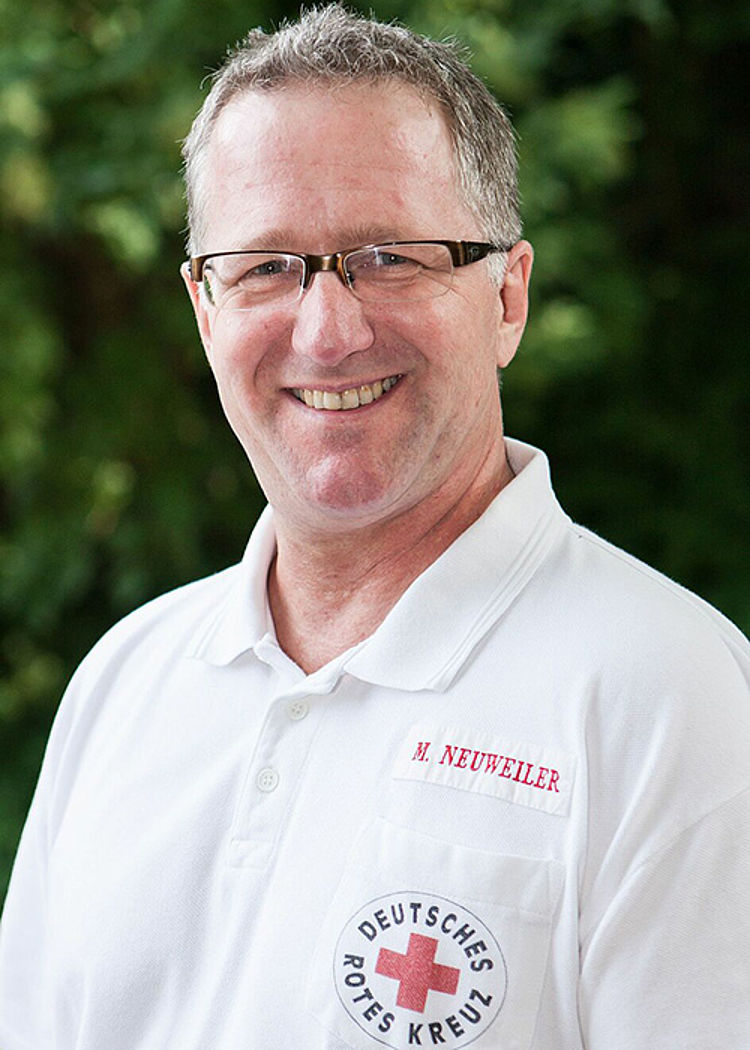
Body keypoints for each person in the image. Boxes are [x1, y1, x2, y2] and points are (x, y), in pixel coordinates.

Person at [1, 5, 748, 1048]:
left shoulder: (673, 698)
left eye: (391, 256)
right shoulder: (127, 683)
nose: (328, 331)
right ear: (206, 310)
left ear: (507, 298)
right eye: (265, 266)